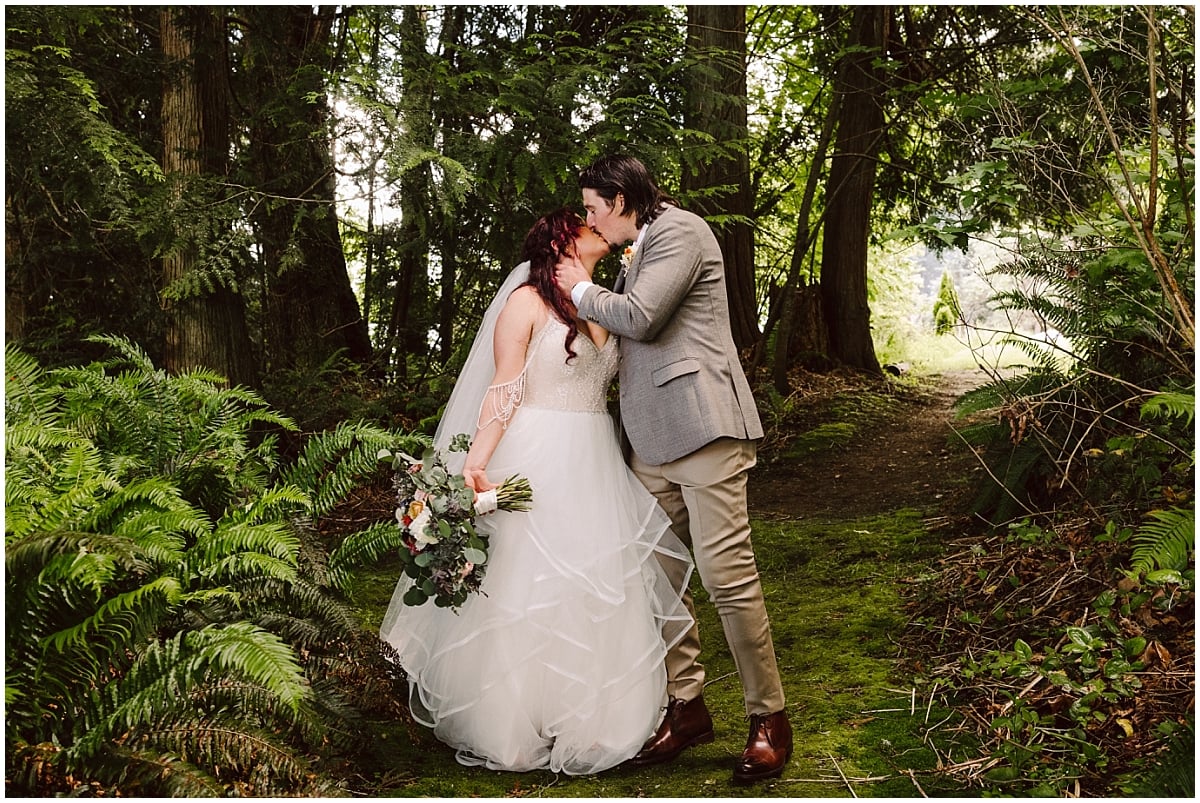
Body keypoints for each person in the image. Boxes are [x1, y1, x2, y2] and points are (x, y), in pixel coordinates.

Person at [380, 209, 694, 775]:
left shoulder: (604, 301)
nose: (598, 226)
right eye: (585, 223)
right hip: (536, 452)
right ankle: (513, 721)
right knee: (528, 583)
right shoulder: (525, 302)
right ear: (561, 242)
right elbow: (504, 388)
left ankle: (588, 719)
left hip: (594, 454)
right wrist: (474, 464)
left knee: (595, 580)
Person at [555, 155, 792, 783]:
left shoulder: (680, 231)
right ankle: (687, 707)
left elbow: (641, 317)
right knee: (655, 577)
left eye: (593, 208)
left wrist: (578, 287)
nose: (589, 220)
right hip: (649, 441)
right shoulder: (638, 246)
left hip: (703, 427)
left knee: (726, 579)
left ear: (621, 199)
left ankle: (768, 718)